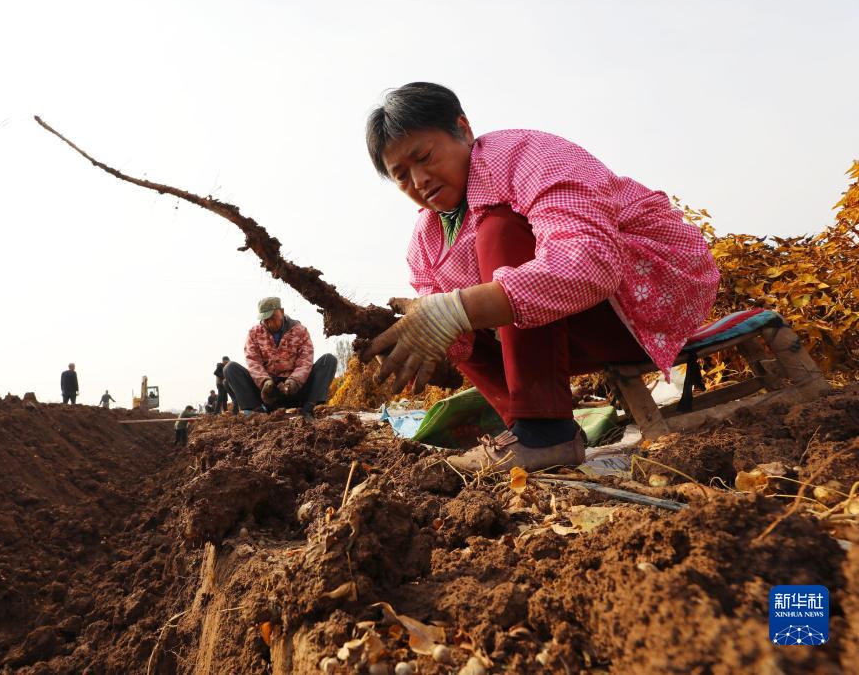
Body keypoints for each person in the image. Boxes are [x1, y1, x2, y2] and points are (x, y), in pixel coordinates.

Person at [361, 82, 719, 472]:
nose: (420, 180)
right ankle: (532, 433)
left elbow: (589, 262)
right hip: (569, 339)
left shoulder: (526, 156)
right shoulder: (425, 241)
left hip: (644, 300)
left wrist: (457, 308)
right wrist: (416, 329)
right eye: (401, 175)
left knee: (499, 230)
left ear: (463, 129)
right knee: (440, 324)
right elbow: (455, 336)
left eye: (425, 157)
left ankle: (543, 432)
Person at [223, 297, 337, 420]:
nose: (270, 324)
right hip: (267, 393)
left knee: (329, 360)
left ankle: (309, 408)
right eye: (265, 320)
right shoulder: (254, 333)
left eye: (273, 318)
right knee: (230, 368)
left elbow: (305, 361)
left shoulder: (300, 331)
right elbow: (253, 361)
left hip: (296, 389)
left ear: (281, 312)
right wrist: (264, 382)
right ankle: (258, 412)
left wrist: (294, 381)